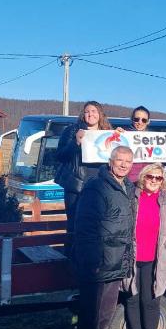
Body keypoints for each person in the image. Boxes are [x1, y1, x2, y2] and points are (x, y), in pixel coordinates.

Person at [70, 146, 135, 329]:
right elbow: (85, 227)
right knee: (90, 315)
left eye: (128, 161)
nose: (124, 165)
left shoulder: (128, 187)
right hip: (97, 262)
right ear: (110, 161)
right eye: (120, 160)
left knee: (106, 312)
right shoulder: (95, 187)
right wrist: (91, 260)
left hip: (116, 261)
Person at [122, 162, 166, 329]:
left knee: (151, 300)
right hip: (132, 257)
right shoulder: (132, 196)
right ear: (143, 177)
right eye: (150, 176)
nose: (154, 180)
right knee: (132, 299)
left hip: (156, 259)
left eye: (158, 178)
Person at [55, 101, 113, 242]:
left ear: (100, 114)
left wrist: (121, 136)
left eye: (94, 111)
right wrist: (75, 142)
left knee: (97, 224)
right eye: (87, 111)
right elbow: (60, 156)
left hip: (99, 186)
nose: (90, 114)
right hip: (76, 187)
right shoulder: (72, 131)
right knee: (74, 225)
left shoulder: (107, 133)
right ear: (83, 114)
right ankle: (72, 254)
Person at [125, 105, 152, 183]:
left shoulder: (153, 138)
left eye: (144, 120)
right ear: (132, 119)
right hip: (129, 181)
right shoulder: (124, 136)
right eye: (136, 119)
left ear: (148, 121)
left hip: (148, 181)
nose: (140, 122)